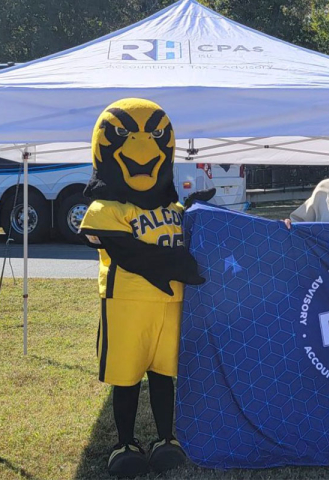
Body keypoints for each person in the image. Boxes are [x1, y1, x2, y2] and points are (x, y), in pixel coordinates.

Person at [79, 98, 208, 477]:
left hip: (170, 305)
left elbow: (188, 234)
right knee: (128, 376)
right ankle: (125, 443)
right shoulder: (107, 208)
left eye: (154, 135)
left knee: (163, 374)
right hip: (127, 304)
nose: (142, 148)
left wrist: (203, 212)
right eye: (125, 135)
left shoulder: (173, 208)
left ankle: (166, 438)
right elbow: (126, 253)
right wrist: (177, 265)